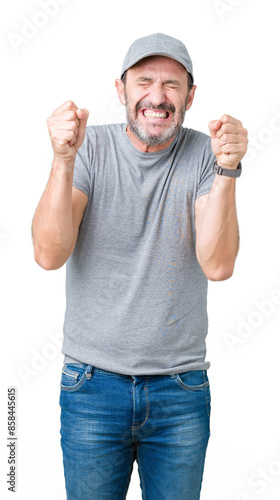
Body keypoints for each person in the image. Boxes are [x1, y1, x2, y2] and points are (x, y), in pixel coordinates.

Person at [32, 33, 248, 500]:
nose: (158, 96)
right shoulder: (90, 148)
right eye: (144, 81)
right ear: (121, 90)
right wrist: (62, 159)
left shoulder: (203, 155)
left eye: (172, 85)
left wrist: (228, 170)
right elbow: (49, 254)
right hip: (91, 387)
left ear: (191, 96)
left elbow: (218, 264)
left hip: (180, 391)